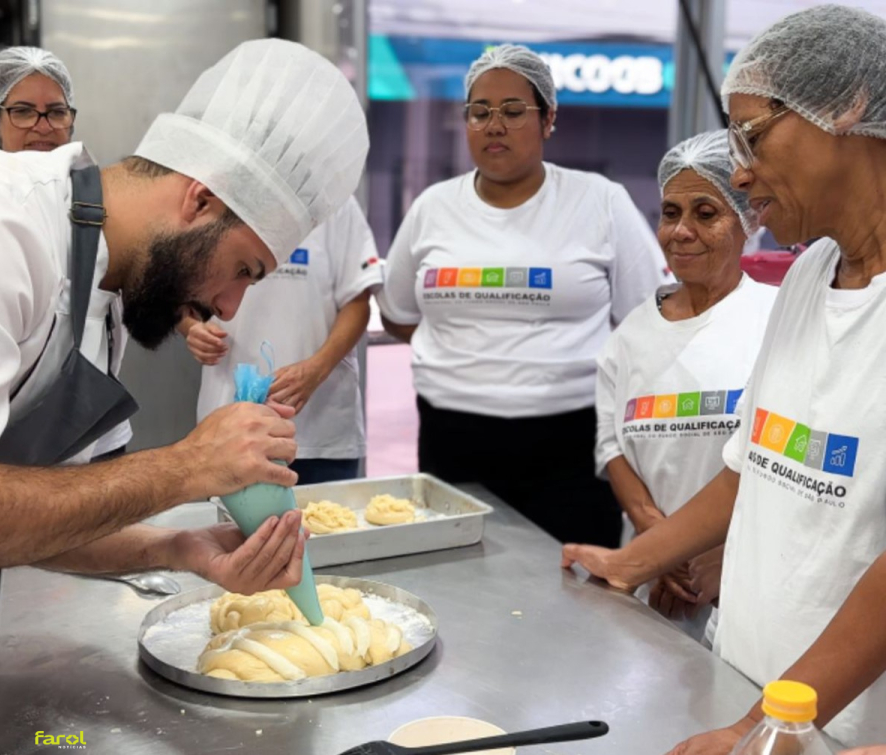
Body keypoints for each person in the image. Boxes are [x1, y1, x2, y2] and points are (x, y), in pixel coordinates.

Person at [563, 5, 886, 751]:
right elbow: (752, 469)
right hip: (744, 676)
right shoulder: (810, 272)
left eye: (753, 133)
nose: (739, 168)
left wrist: (762, 728)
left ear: (847, 107)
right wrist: (631, 561)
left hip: (839, 726)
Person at [0, 39, 368, 601]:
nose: (231, 307)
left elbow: (44, 515)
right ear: (200, 200)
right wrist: (188, 466)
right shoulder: (5, 227)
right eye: (243, 269)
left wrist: (180, 548)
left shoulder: (107, 286)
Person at [377, 44, 670, 547]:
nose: (495, 125)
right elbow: (396, 314)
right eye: (480, 112)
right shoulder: (434, 208)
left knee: (576, 593)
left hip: (572, 441)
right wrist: (467, 355)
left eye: (514, 112)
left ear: (548, 119)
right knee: (461, 583)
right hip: (452, 438)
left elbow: (651, 316)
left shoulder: (599, 201)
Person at [591, 130, 777, 642]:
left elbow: (779, 457)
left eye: (705, 213)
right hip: (648, 583)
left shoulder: (775, 320)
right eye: (670, 213)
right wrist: (659, 545)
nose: (681, 231)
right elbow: (614, 448)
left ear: (748, 221)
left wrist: (719, 554)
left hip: (743, 575)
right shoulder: (630, 334)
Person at [0, 46, 132, 462]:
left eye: (55, 111)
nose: (42, 126)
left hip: (95, 429)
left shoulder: (96, 201)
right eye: (23, 111)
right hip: (11, 454)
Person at [181, 196, 382, 484]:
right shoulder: (217, 195)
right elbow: (179, 292)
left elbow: (358, 300)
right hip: (230, 427)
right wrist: (190, 327)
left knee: (328, 526)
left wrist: (315, 370)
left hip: (321, 433)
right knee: (230, 529)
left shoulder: (335, 200)